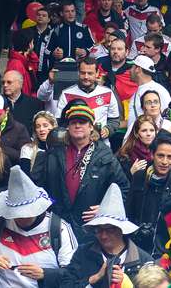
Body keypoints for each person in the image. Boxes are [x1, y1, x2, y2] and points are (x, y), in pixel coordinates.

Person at [31, 102, 129, 243]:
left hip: (90, 229)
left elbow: (124, 189)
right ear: (68, 127)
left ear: (91, 127)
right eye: (73, 122)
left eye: (82, 122)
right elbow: (37, 187)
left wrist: (105, 208)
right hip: (56, 224)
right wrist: (50, 206)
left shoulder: (105, 155)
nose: (77, 126)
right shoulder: (53, 153)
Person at [0, 166, 77, 288]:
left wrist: (45, 274)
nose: (21, 218)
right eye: (15, 213)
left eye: (26, 213)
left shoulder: (59, 228)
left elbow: (74, 275)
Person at [61, 183, 153, 287]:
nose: (103, 236)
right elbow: (65, 285)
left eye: (109, 230)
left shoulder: (144, 261)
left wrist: (126, 284)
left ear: (121, 230)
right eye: (99, 230)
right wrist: (94, 279)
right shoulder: (83, 254)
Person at [126, 134, 171, 255]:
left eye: (170, 157)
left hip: (164, 250)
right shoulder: (139, 177)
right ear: (152, 155)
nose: (165, 161)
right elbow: (129, 210)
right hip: (136, 245)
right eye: (160, 156)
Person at [18, 111, 57, 176]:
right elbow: (25, 177)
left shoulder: (61, 149)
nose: (41, 129)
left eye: (45, 126)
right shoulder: (27, 149)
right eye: (38, 126)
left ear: (53, 127)